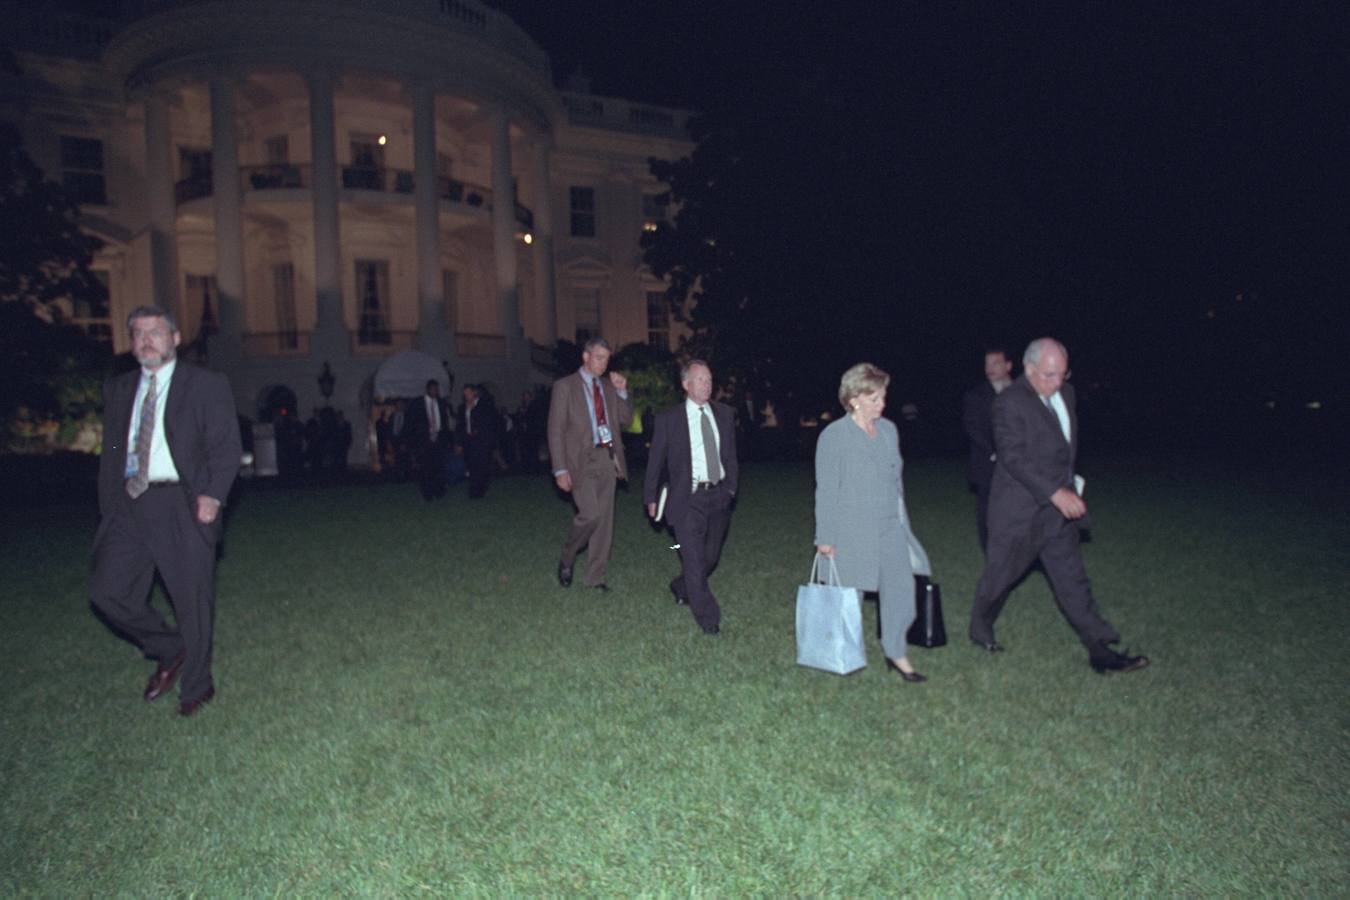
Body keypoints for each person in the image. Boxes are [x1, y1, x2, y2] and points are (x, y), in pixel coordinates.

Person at [89, 305, 241, 717]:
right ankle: (170, 648)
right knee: (106, 592)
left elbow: (226, 447)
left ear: (175, 338)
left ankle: (197, 687)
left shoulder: (206, 384)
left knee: (191, 599)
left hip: (182, 502)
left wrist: (212, 495)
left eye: (155, 332)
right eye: (137, 333)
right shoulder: (119, 389)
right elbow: (116, 450)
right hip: (129, 504)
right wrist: (110, 504)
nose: (146, 340)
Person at [968, 337, 1149, 675]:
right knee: (999, 578)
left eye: (1062, 374)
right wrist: (1055, 491)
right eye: (1048, 375)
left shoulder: (1067, 394)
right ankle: (980, 628)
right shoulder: (1009, 403)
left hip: (1055, 514)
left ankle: (1101, 650)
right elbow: (1013, 456)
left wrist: (1069, 485)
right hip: (1018, 514)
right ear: (1029, 368)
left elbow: (1064, 448)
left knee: (1072, 580)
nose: (1056, 383)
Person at [814, 362, 932, 683]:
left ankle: (896, 652)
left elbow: (896, 482)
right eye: (875, 398)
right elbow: (826, 490)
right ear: (854, 398)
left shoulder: (889, 431)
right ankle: (845, 655)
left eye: (883, 397)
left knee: (902, 592)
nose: (882, 404)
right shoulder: (834, 436)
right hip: (852, 530)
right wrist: (825, 537)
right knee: (850, 599)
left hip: (891, 526)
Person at [644, 360, 740, 635]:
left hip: (719, 495)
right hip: (687, 499)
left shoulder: (724, 414)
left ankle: (681, 585)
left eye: (709, 379)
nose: (707, 384)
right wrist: (650, 496)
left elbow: (730, 456)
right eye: (700, 379)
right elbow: (655, 461)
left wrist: (731, 487)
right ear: (686, 385)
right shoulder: (669, 420)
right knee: (694, 559)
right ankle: (709, 618)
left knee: (710, 557)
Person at [547, 337, 632, 591]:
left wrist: (621, 391)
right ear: (585, 357)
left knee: (604, 521)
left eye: (607, 358)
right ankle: (568, 555)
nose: (603, 363)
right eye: (598, 357)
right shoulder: (565, 387)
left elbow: (626, 420)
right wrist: (560, 468)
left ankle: (596, 577)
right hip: (579, 461)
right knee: (590, 515)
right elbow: (556, 429)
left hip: (607, 458)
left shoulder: (608, 386)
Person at [962, 348, 1014, 553]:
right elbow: (973, 428)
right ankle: (991, 551)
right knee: (988, 510)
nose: (989, 368)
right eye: (987, 364)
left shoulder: (1022, 391)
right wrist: (996, 451)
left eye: (995, 363)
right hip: (988, 464)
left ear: (1008, 366)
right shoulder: (976, 395)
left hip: (1021, 464)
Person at [402, 379, 453, 500]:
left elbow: (445, 422)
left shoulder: (441, 403)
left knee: (439, 467)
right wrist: (407, 440)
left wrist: (449, 439)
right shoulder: (417, 403)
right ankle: (427, 493)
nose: (436, 391)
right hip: (423, 440)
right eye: (433, 389)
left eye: (437, 389)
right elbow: (410, 423)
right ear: (428, 389)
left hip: (439, 439)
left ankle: (439, 492)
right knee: (425, 467)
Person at [458, 383, 499, 499]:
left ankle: (482, 488)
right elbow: (460, 426)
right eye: (465, 394)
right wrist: (459, 443)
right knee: (471, 466)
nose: (466, 396)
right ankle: (474, 489)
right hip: (469, 442)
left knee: (482, 466)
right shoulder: (462, 408)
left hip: (482, 442)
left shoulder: (484, 406)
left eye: (469, 393)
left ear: (474, 393)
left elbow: (489, 423)